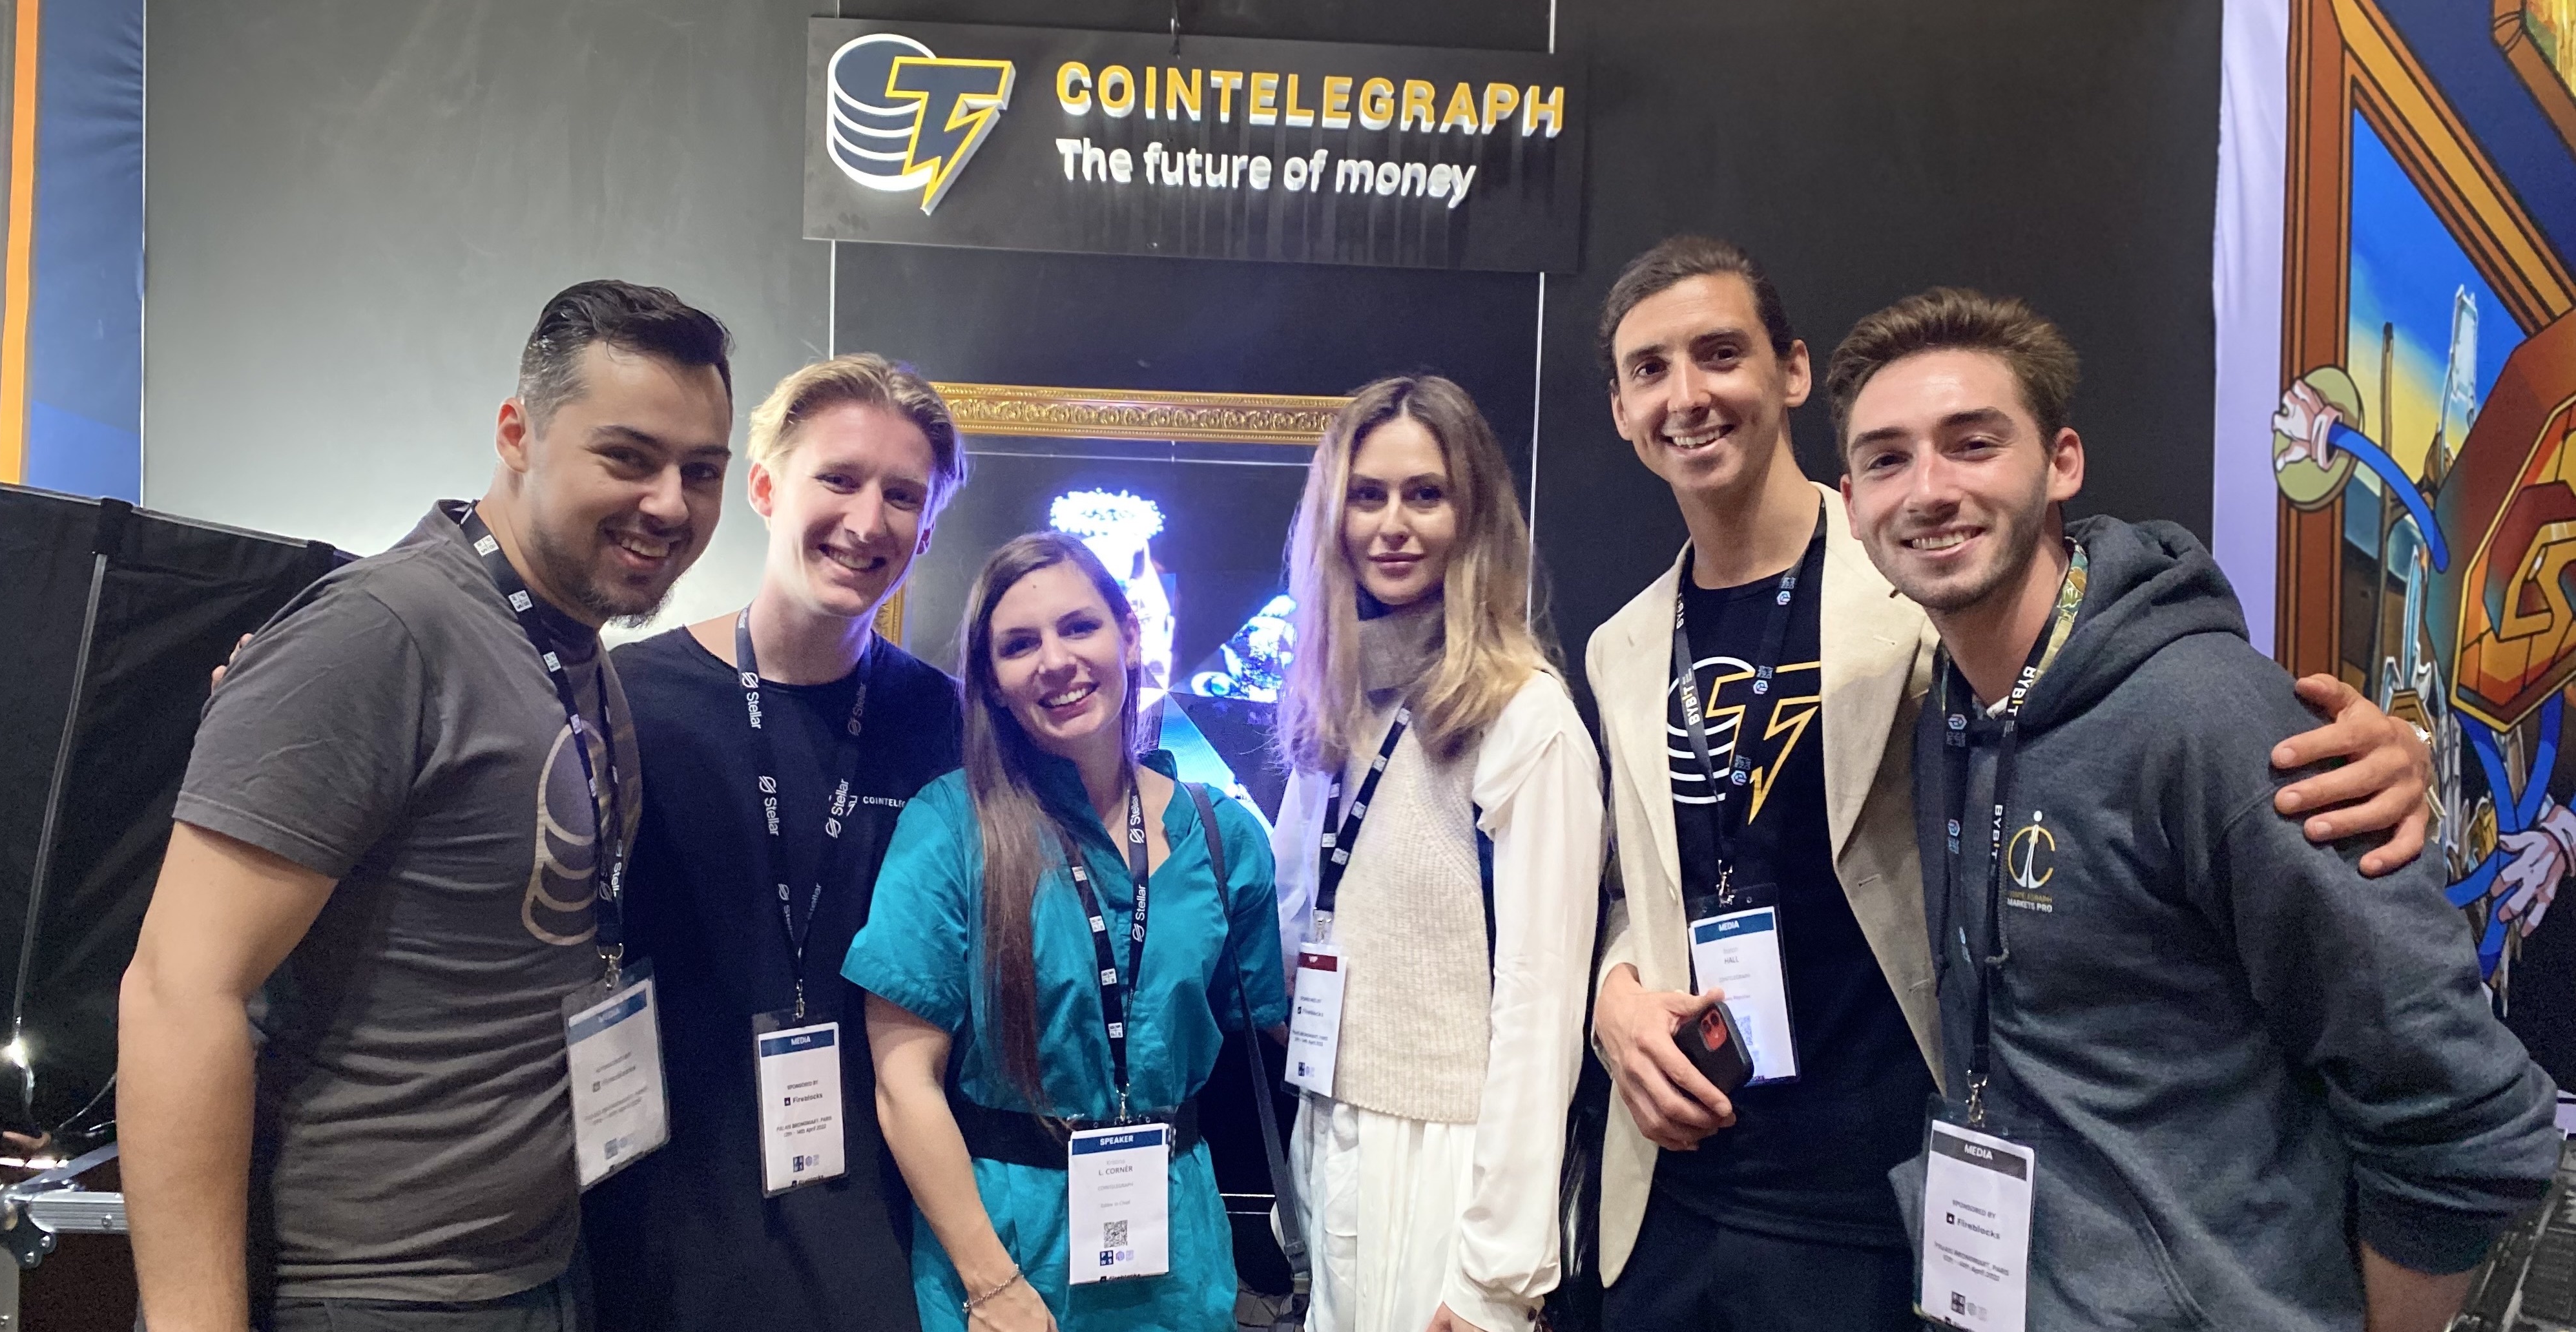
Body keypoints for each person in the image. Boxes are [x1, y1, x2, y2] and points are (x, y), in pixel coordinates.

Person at [1577, 236, 2437, 1332]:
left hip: (1884, 1195)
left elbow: (2102, 659)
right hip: (1678, 1192)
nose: (1687, 395)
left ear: (1790, 372)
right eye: (1649, 369)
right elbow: (1639, 885)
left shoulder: (1922, 576)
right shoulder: (1621, 645)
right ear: (1619, 407)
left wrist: (2383, 748)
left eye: (1718, 353)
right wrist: (1612, 996)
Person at [1832, 286, 2559, 1332]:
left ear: (2062, 463)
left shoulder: (2209, 719)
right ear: (1850, 502)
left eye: (1972, 443)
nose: (1929, 489)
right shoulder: (1946, 710)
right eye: (1886, 460)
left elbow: (2459, 1111)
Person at [116, 280, 736, 1332]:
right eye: (628, 457)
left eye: (701, 471)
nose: (670, 503)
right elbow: (179, 993)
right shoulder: (382, 631)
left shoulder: (571, 652)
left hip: (528, 1272)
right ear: (517, 434)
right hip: (366, 1289)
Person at [580, 354, 968, 1332]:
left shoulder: (948, 723)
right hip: (663, 1209)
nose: (867, 520)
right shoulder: (623, 696)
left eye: (902, 495)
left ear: (928, 529)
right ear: (764, 488)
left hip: (876, 1214)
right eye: (838, 478)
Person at [842, 531, 1290, 1332]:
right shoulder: (949, 829)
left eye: (1079, 627)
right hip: (1004, 1251)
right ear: (992, 680)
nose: (1056, 661)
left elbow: (1265, 1024)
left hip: (1177, 1252)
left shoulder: (1223, 837)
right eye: (1020, 644)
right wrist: (992, 1283)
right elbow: (903, 1082)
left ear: (1130, 634)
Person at [1266, 375, 1603, 1332]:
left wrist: (1496, 1268)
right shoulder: (1338, 708)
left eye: (1425, 494)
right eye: (1367, 496)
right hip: (1336, 1131)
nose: (1392, 526)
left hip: (1454, 1169)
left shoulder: (1525, 716)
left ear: (1473, 514)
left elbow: (1541, 1007)